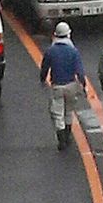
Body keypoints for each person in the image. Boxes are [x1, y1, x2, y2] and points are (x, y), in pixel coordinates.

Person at [39, 22, 87, 150]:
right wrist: (83, 85)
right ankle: (68, 135)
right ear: (68, 34)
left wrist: (42, 79)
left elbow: (44, 68)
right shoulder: (73, 51)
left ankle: (61, 140)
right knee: (69, 111)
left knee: (57, 113)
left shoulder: (51, 51)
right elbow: (80, 72)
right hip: (71, 85)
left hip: (57, 86)